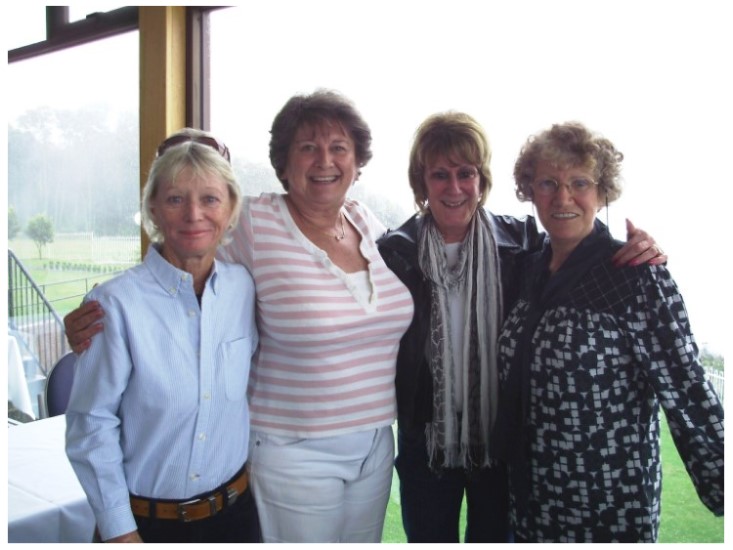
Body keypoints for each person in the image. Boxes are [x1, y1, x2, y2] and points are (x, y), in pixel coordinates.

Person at [65, 90, 415, 543]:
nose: (324, 160)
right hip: (294, 450)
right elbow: (177, 257)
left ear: (357, 161)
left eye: (338, 147)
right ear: (283, 163)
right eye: (307, 147)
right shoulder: (256, 220)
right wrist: (88, 317)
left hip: (372, 445)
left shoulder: (365, 222)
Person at [377, 113, 667, 543]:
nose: (454, 188)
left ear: (482, 179)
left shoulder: (522, 242)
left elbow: (576, 244)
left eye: (466, 174)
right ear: (422, 183)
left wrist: (631, 247)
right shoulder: (393, 254)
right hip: (427, 444)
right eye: (440, 175)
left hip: (501, 443)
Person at [492, 121, 724, 542]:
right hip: (532, 493)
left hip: (607, 497)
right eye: (548, 183)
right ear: (531, 191)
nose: (563, 197)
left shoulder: (634, 276)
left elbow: (686, 384)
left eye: (579, 182)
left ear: (602, 194)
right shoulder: (527, 269)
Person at [65, 128, 262, 543]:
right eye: (175, 199)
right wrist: (120, 531)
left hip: (237, 518)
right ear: (153, 210)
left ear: (230, 210)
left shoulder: (244, 288)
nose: (194, 215)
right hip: (146, 528)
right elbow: (91, 425)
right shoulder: (115, 304)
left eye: (209, 199)